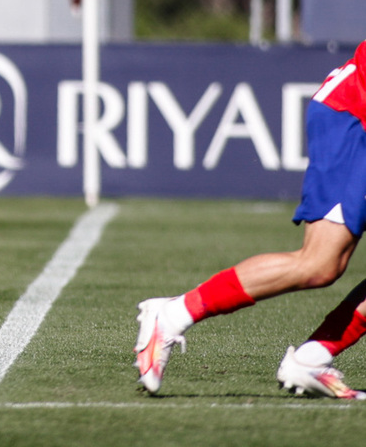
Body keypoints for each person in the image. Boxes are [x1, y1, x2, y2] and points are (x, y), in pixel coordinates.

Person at [135, 39, 366, 400]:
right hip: (354, 114)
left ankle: (311, 360)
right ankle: (171, 315)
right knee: (319, 264)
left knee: (323, 266)